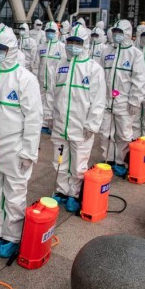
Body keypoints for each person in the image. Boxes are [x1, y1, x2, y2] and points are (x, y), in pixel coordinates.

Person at [0, 29, 42, 258]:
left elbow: (34, 119)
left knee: (14, 194)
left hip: (14, 150)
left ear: (11, 50)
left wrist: (28, 152)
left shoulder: (25, 79)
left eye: (0, 50)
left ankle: (13, 236)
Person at [46, 25, 106, 212]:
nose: (72, 46)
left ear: (85, 43)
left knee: (79, 161)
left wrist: (92, 124)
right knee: (59, 160)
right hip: (60, 123)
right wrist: (49, 115)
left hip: (81, 126)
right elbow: (51, 93)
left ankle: (74, 192)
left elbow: (98, 100)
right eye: (70, 42)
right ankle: (61, 190)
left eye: (77, 42)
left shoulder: (93, 68)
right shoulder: (61, 65)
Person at [99, 20, 145, 177]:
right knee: (105, 132)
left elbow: (139, 79)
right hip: (106, 101)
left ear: (127, 33)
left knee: (124, 134)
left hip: (124, 103)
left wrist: (135, 100)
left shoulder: (135, 54)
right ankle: (108, 159)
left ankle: (121, 161)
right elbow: (99, 76)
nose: (117, 35)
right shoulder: (107, 51)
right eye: (115, 32)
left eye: (120, 32)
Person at [38, 21, 66, 131]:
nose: (49, 34)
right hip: (42, 79)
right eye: (48, 31)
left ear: (57, 32)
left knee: (54, 101)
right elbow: (37, 63)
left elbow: (64, 65)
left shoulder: (61, 47)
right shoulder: (41, 47)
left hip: (55, 80)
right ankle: (43, 123)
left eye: (52, 32)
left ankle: (53, 125)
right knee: (42, 100)